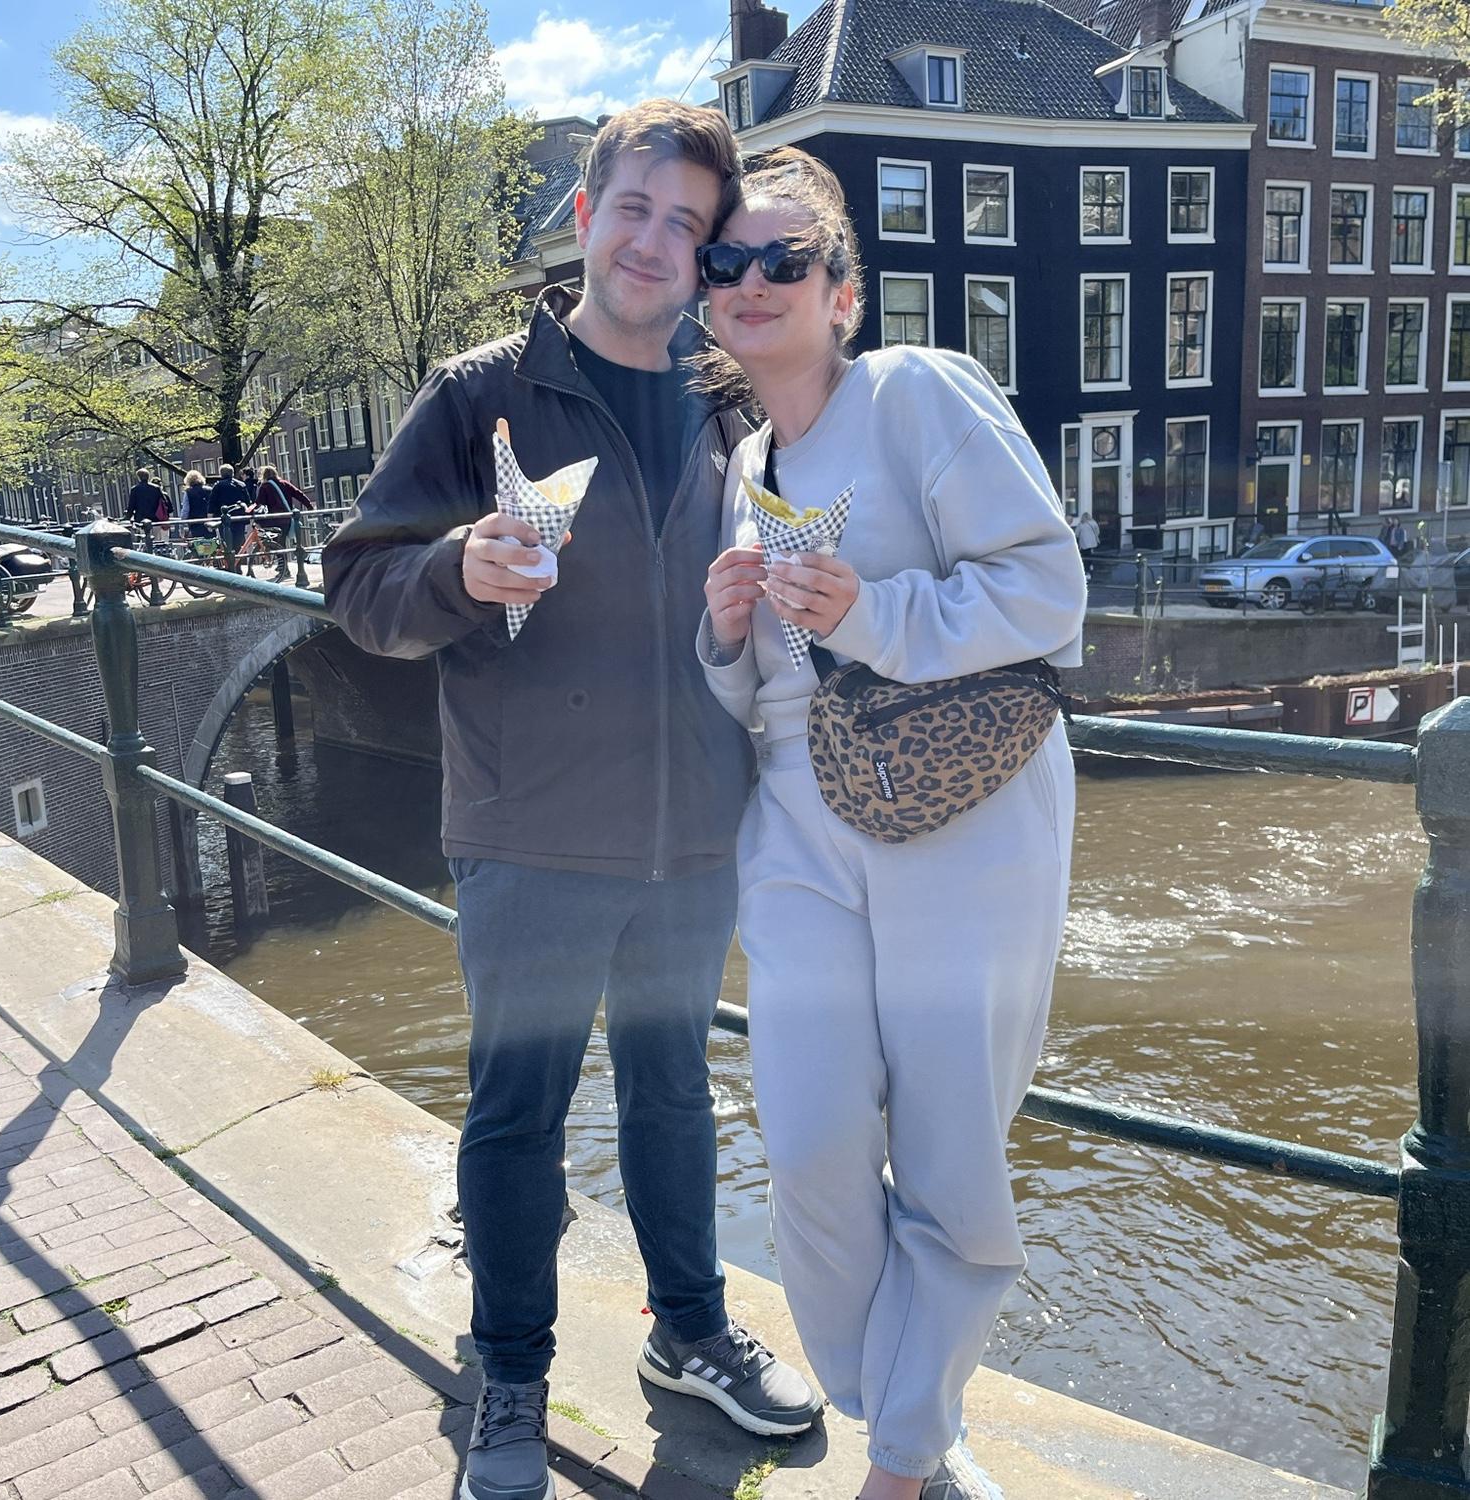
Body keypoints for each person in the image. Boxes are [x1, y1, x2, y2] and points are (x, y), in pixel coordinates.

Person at [323, 102, 821, 1500]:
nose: (656, 241)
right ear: (588, 211)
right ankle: (512, 1375)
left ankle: (690, 1332)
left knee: (674, 1097)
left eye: (688, 224)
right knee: (515, 1116)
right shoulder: (480, 394)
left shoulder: (735, 402)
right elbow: (358, 587)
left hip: (690, 832)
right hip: (531, 832)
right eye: (636, 208)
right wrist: (456, 574)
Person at [696, 150, 1083, 1500]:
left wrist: (869, 613)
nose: (751, 282)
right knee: (804, 1141)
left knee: (949, 1148)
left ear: (842, 293)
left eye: (783, 260)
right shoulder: (745, 458)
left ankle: (904, 1458)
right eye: (723, 263)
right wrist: (727, 627)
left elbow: (1049, 593)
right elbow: (759, 691)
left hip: (965, 813)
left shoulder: (918, 391)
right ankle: (906, 1413)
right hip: (800, 824)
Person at [211, 464, 251, 557]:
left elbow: (212, 502)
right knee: (239, 542)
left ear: (221, 474)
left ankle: (230, 564)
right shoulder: (241, 485)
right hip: (238, 519)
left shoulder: (218, 486)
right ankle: (237, 565)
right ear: (232, 473)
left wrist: (210, 517)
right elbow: (248, 501)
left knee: (226, 543)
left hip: (224, 520)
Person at [179, 468, 215, 540]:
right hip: (210, 522)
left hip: (195, 523)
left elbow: (185, 510)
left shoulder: (188, 492)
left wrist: (182, 523)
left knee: (199, 545)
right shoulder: (210, 490)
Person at [1073, 511, 1100, 577]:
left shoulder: (1081, 524)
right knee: (1090, 555)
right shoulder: (1094, 523)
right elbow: (1098, 532)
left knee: (1085, 557)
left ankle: (1087, 571)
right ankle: (1091, 565)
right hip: (1092, 543)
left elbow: (1076, 534)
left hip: (1084, 544)